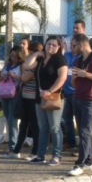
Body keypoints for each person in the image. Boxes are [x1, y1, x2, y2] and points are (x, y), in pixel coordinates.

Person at [68, 34, 92, 175]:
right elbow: (74, 81)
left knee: (85, 130)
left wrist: (86, 75)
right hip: (78, 96)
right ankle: (89, 161)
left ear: (82, 45)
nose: (72, 48)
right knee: (83, 130)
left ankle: (81, 163)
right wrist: (76, 77)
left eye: (74, 45)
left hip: (91, 98)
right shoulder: (78, 60)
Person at [32, 36, 67, 165]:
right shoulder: (41, 59)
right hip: (39, 98)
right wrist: (36, 54)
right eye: (48, 44)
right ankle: (41, 155)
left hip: (53, 98)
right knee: (43, 128)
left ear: (58, 47)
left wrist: (50, 91)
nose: (50, 47)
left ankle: (56, 155)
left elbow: (62, 78)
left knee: (55, 127)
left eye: (54, 45)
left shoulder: (59, 59)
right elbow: (26, 66)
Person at [0, 47, 24, 158]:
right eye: (11, 55)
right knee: (8, 119)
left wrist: (14, 76)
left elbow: (24, 78)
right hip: (4, 94)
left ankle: (13, 148)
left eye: (15, 56)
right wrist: (4, 76)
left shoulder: (22, 66)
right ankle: (11, 146)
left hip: (15, 95)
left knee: (12, 120)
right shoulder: (7, 65)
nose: (13, 58)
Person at [18, 40, 41, 159]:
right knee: (24, 124)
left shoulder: (37, 63)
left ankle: (36, 151)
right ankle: (16, 149)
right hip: (25, 97)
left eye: (31, 54)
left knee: (35, 126)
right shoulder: (30, 63)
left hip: (33, 98)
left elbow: (24, 77)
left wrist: (21, 76)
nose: (28, 55)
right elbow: (23, 70)